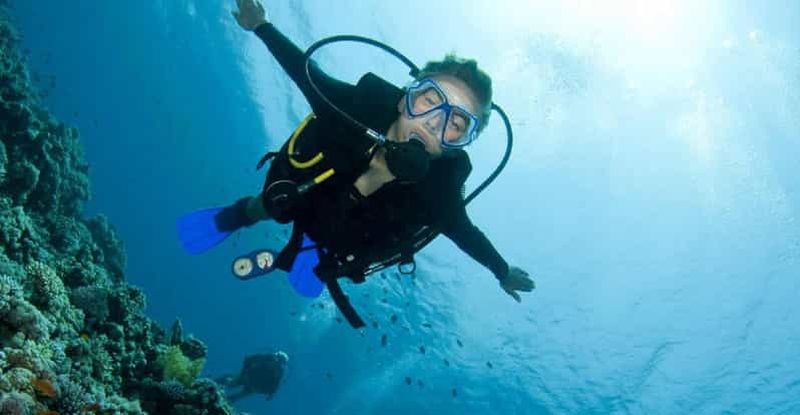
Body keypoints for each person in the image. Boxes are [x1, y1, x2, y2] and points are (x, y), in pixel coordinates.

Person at [178, 0, 534, 309]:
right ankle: (244, 213)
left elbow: (465, 233)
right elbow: (307, 73)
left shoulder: (440, 192)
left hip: (344, 238)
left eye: (456, 122)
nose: (432, 123)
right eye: (429, 100)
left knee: (330, 250)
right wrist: (260, 25)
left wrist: (502, 272)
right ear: (404, 98)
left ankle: (307, 254)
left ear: (459, 143)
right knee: (274, 204)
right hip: (300, 195)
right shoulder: (354, 106)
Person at [215, 352, 289, 402]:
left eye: (279, 362)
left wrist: (270, 394)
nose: (276, 362)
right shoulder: (265, 358)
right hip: (248, 376)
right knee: (230, 384)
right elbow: (248, 360)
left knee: (238, 395)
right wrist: (244, 372)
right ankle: (215, 383)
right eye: (276, 359)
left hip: (256, 386)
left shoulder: (278, 372)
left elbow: (275, 385)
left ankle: (223, 403)